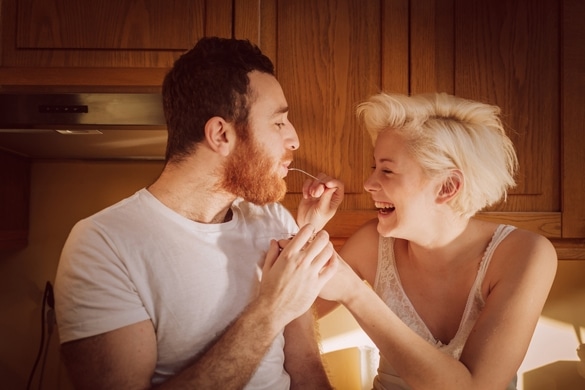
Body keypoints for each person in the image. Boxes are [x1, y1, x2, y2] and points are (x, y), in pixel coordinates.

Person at [54, 36, 344, 389]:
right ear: (220, 134)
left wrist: (307, 235)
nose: (295, 139)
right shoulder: (103, 246)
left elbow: (306, 367)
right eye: (279, 123)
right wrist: (270, 310)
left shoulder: (274, 221)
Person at [316, 92, 557, 390]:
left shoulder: (525, 254)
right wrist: (310, 226)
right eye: (374, 167)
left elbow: (476, 387)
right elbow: (288, 313)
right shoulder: (370, 244)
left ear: (447, 187)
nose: (368, 184)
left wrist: (354, 293)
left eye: (387, 170)